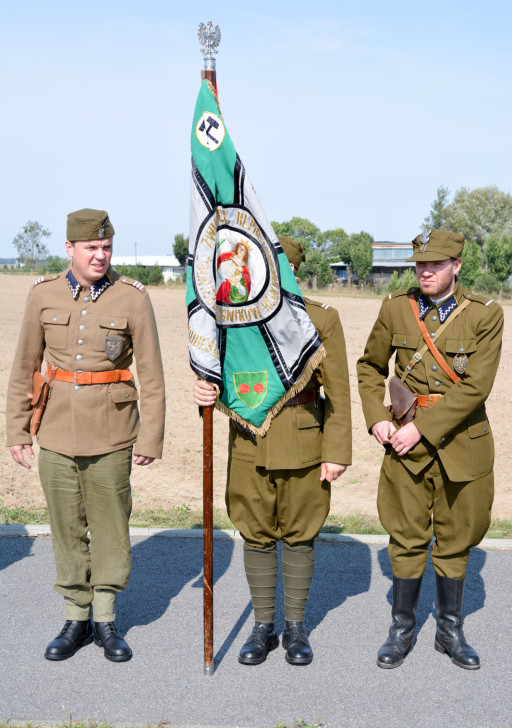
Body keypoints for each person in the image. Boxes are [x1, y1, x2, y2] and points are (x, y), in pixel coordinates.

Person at [6, 208, 165, 663]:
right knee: (66, 526)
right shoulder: (43, 295)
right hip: (54, 429)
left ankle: (106, 619)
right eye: (92, 248)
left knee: (111, 526)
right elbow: (23, 369)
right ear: (70, 249)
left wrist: (149, 439)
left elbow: (151, 376)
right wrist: (17, 429)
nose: (101, 255)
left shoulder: (132, 297)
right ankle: (76, 617)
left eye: (106, 247)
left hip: (113, 432)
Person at [194, 235, 352, 666]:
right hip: (249, 442)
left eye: (282, 269)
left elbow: (338, 393)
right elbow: (215, 376)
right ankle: (263, 625)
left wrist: (335, 452)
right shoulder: (230, 323)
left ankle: (295, 627)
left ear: (291, 272)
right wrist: (204, 391)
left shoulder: (321, 319)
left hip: (304, 442)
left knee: (300, 533)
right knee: (256, 531)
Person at [357, 228, 503, 670]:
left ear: (456, 266)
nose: (425, 272)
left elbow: (476, 386)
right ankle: (401, 630)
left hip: (462, 443)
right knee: (405, 536)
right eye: (420, 265)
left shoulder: (485, 315)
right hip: (404, 444)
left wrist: (422, 429)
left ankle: (449, 631)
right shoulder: (395, 308)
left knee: (456, 539)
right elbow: (368, 367)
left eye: (435, 265)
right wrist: (377, 417)